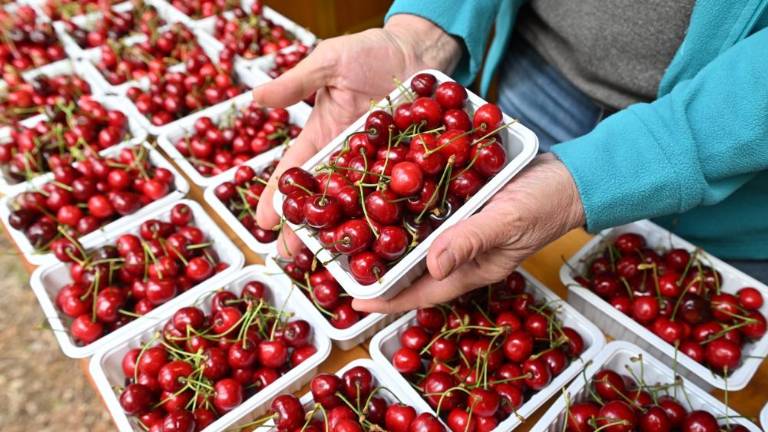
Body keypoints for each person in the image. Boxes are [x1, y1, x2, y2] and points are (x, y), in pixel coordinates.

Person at [251, 0, 768, 313]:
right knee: (493, 221)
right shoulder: (452, 149)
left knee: (695, 301)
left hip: (732, 172)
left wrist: (588, 181)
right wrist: (424, 33)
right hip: (539, 75)